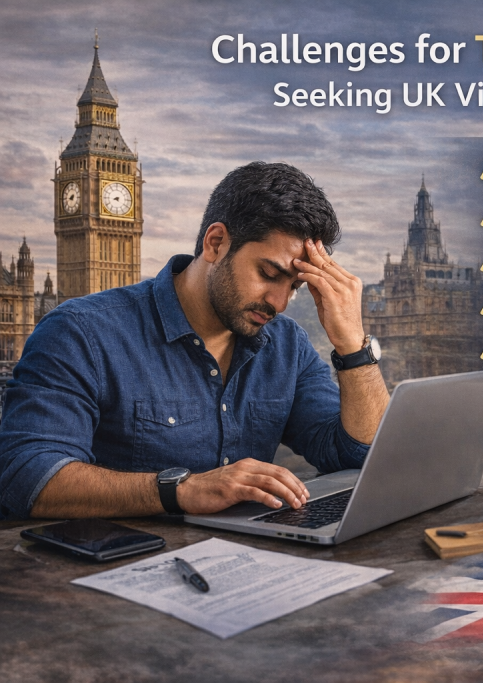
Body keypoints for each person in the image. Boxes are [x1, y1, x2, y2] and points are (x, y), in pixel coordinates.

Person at [0, 162, 390, 519]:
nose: (279, 303)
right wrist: (180, 490)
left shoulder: (287, 346)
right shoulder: (80, 332)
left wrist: (353, 346)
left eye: (294, 286)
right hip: (118, 563)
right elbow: (25, 475)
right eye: (269, 274)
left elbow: (360, 455)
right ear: (215, 243)